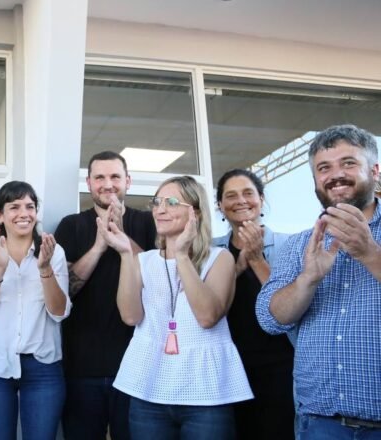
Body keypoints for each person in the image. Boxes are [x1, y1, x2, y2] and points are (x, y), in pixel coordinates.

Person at [256, 124, 381, 439]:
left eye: (348, 163)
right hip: (319, 423)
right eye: (324, 168)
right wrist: (307, 279)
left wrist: (370, 254)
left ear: (375, 170)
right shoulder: (300, 245)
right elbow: (270, 319)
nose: (335, 174)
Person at [108, 175, 252, 440]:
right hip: (149, 390)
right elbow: (130, 316)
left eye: (172, 202)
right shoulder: (144, 261)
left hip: (205, 394)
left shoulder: (220, 258)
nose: (160, 209)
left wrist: (182, 255)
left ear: (195, 212)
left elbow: (207, 317)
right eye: (157, 202)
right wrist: (125, 254)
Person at [54, 151, 156, 439]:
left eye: (115, 176)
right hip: (82, 368)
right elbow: (64, 291)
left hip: (138, 365)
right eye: (99, 177)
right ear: (89, 183)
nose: (107, 184)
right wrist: (99, 246)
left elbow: (160, 280)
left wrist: (123, 238)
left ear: (128, 181)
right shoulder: (71, 226)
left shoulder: (149, 223)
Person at [0, 181, 71, 439]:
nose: (23, 213)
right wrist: (0, 269)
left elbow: (59, 312)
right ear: (0, 216)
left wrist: (45, 268)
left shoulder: (53, 253)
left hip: (43, 368)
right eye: (14, 207)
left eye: (30, 206)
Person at [213, 168, 294, 439]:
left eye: (248, 193)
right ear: (220, 206)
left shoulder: (288, 246)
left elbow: (289, 303)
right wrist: (235, 268)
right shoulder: (211, 250)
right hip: (227, 365)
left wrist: (257, 258)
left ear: (261, 199)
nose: (241, 201)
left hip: (279, 366)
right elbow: (206, 303)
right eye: (231, 195)